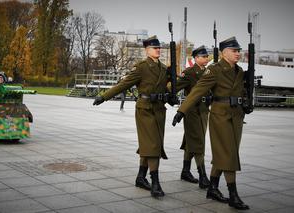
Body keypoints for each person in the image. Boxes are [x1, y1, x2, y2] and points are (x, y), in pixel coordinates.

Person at [172, 37, 250, 210]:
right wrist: (181, 111)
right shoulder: (214, 70)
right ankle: (233, 195)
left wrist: (246, 102)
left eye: (239, 50)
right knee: (229, 154)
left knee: (226, 153)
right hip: (220, 116)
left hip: (236, 117)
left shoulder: (239, 70)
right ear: (224, 52)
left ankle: (212, 188)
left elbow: (242, 91)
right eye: (234, 51)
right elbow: (197, 91)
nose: (238, 53)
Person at [93, 35, 176, 198]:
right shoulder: (141, 67)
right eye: (155, 48)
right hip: (145, 110)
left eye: (159, 48)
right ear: (147, 50)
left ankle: (140, 177)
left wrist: (170, 93)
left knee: (152, 144)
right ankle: (155, 182)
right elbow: (123, 84)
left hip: (159, 110)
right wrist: (104, 96)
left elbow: (166, 87)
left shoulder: (164, 68)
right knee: (153, 146)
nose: (158, 50)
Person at [174, 46, 211, 189]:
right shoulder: (189, 72)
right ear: (196, 58)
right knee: (198, 142)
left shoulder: (208, 72)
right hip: (192, 112)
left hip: (204, 111)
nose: (206, 59)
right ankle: (203, 176)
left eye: (207, 56)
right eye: (203, 56)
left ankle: (185, 171)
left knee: (191, 141)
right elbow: (175, 86)